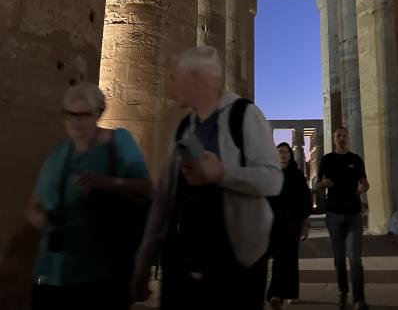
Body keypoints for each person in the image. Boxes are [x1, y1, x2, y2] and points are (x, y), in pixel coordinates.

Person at [132, 46, 283, 310]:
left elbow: (273, 180)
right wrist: (144, 260)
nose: (170, 83)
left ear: (196, 78)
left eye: (175, 76)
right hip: (184, 260)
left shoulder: (244, 116)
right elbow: (163, 199)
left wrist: (223, 173)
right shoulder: (184, 126)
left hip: (235, 264)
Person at [1, 82, 152, 310]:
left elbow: (146, 188)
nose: (75, 122)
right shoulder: (60, 152)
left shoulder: (119, 142)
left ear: (99, 113)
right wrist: (46, 219)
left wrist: (107, 183)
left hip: (103, 274)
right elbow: (33, 206)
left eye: (83, 115)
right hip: (53, 271)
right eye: (69, 115)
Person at [318, 126, 369, 310]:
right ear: (334, 139)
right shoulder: (327, 159)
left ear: (348, 138)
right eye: (338, 136)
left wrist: (362, 188)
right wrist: (323, 184)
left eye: (344, 135)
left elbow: (365, 183)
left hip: (354, 215)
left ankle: (359, 299)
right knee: (339, 258)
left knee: (355, 257)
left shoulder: (355, 159)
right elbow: (318, 185)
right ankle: (343, 290)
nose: (341, 138)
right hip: (334, 215)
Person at [267, 142, 312, 309]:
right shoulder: (272, 174)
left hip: (293, 224)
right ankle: (275, 294)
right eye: (280, 152)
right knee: (279, 259)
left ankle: (292, 292)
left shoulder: (298, 175)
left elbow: (305, 200)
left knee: (291, 259)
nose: (283, 154)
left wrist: (305, 222)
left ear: (290, 155)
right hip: (276, 224)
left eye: (286, 152)